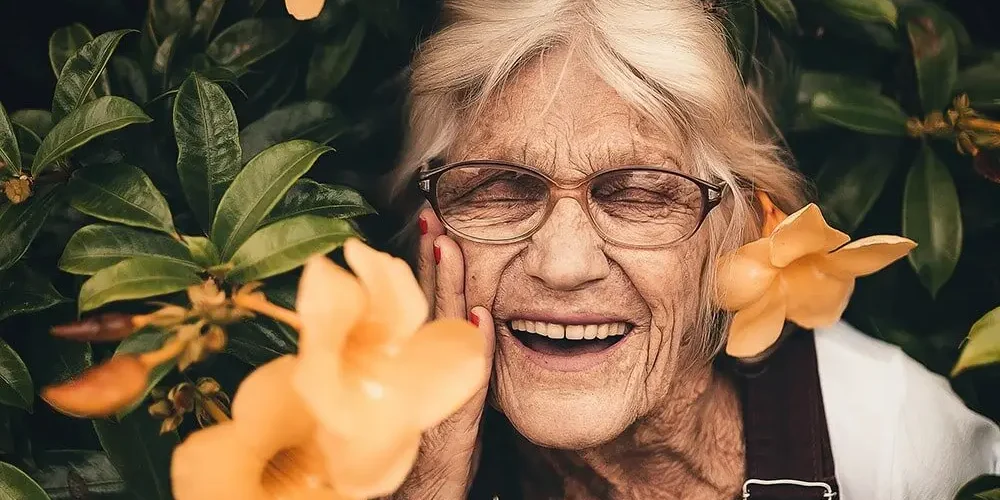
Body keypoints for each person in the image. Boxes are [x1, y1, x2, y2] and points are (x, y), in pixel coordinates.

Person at [385, 1, 1000, 498]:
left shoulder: (895, 441)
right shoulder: (356, 444)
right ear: (430, 225)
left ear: (735, 229)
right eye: (500, 189)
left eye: (638, 195)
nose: (562, 265)